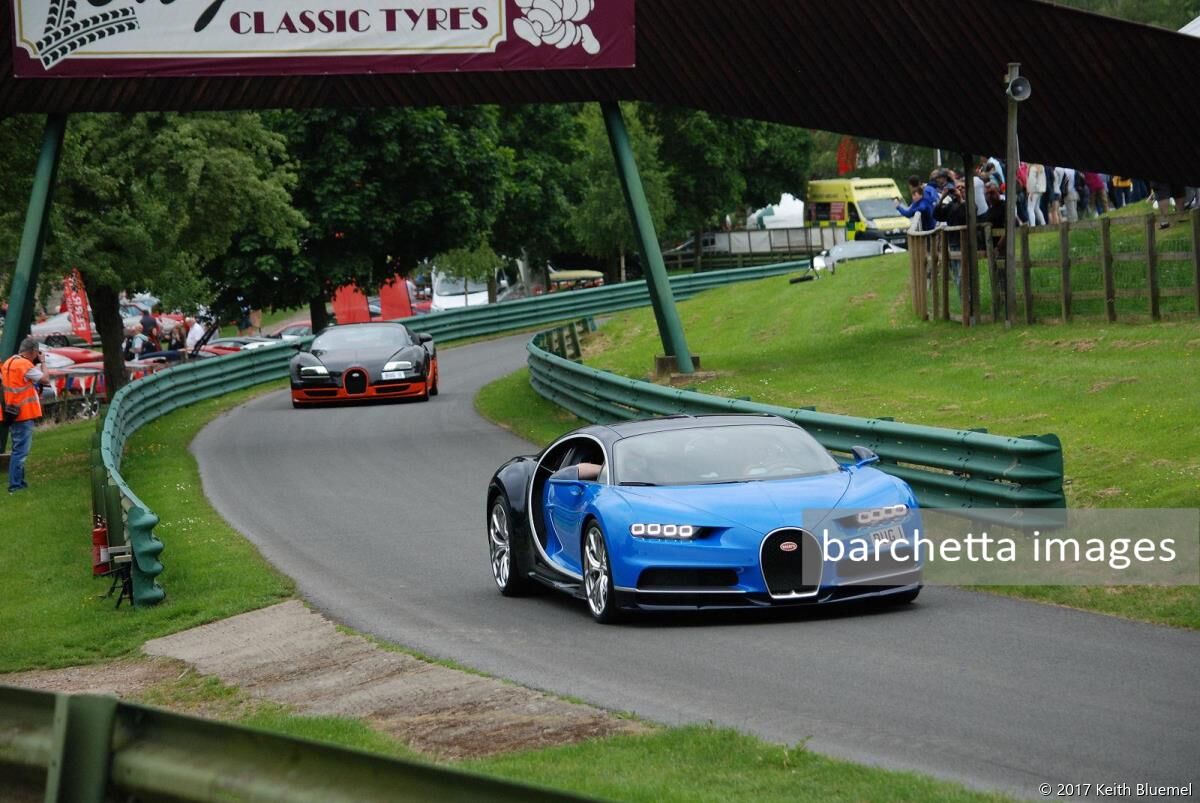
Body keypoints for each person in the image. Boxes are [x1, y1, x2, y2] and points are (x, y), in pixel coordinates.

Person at [2, 337, 47, 493]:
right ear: (33, 351)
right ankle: (15, 486)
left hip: (12, 412)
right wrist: (43, 363)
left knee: (17, 449)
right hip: (24, 413)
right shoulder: (24, 365)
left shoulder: (9, 363)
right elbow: (45, 379)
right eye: (36, 353)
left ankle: (20, 483)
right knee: (20, 452)